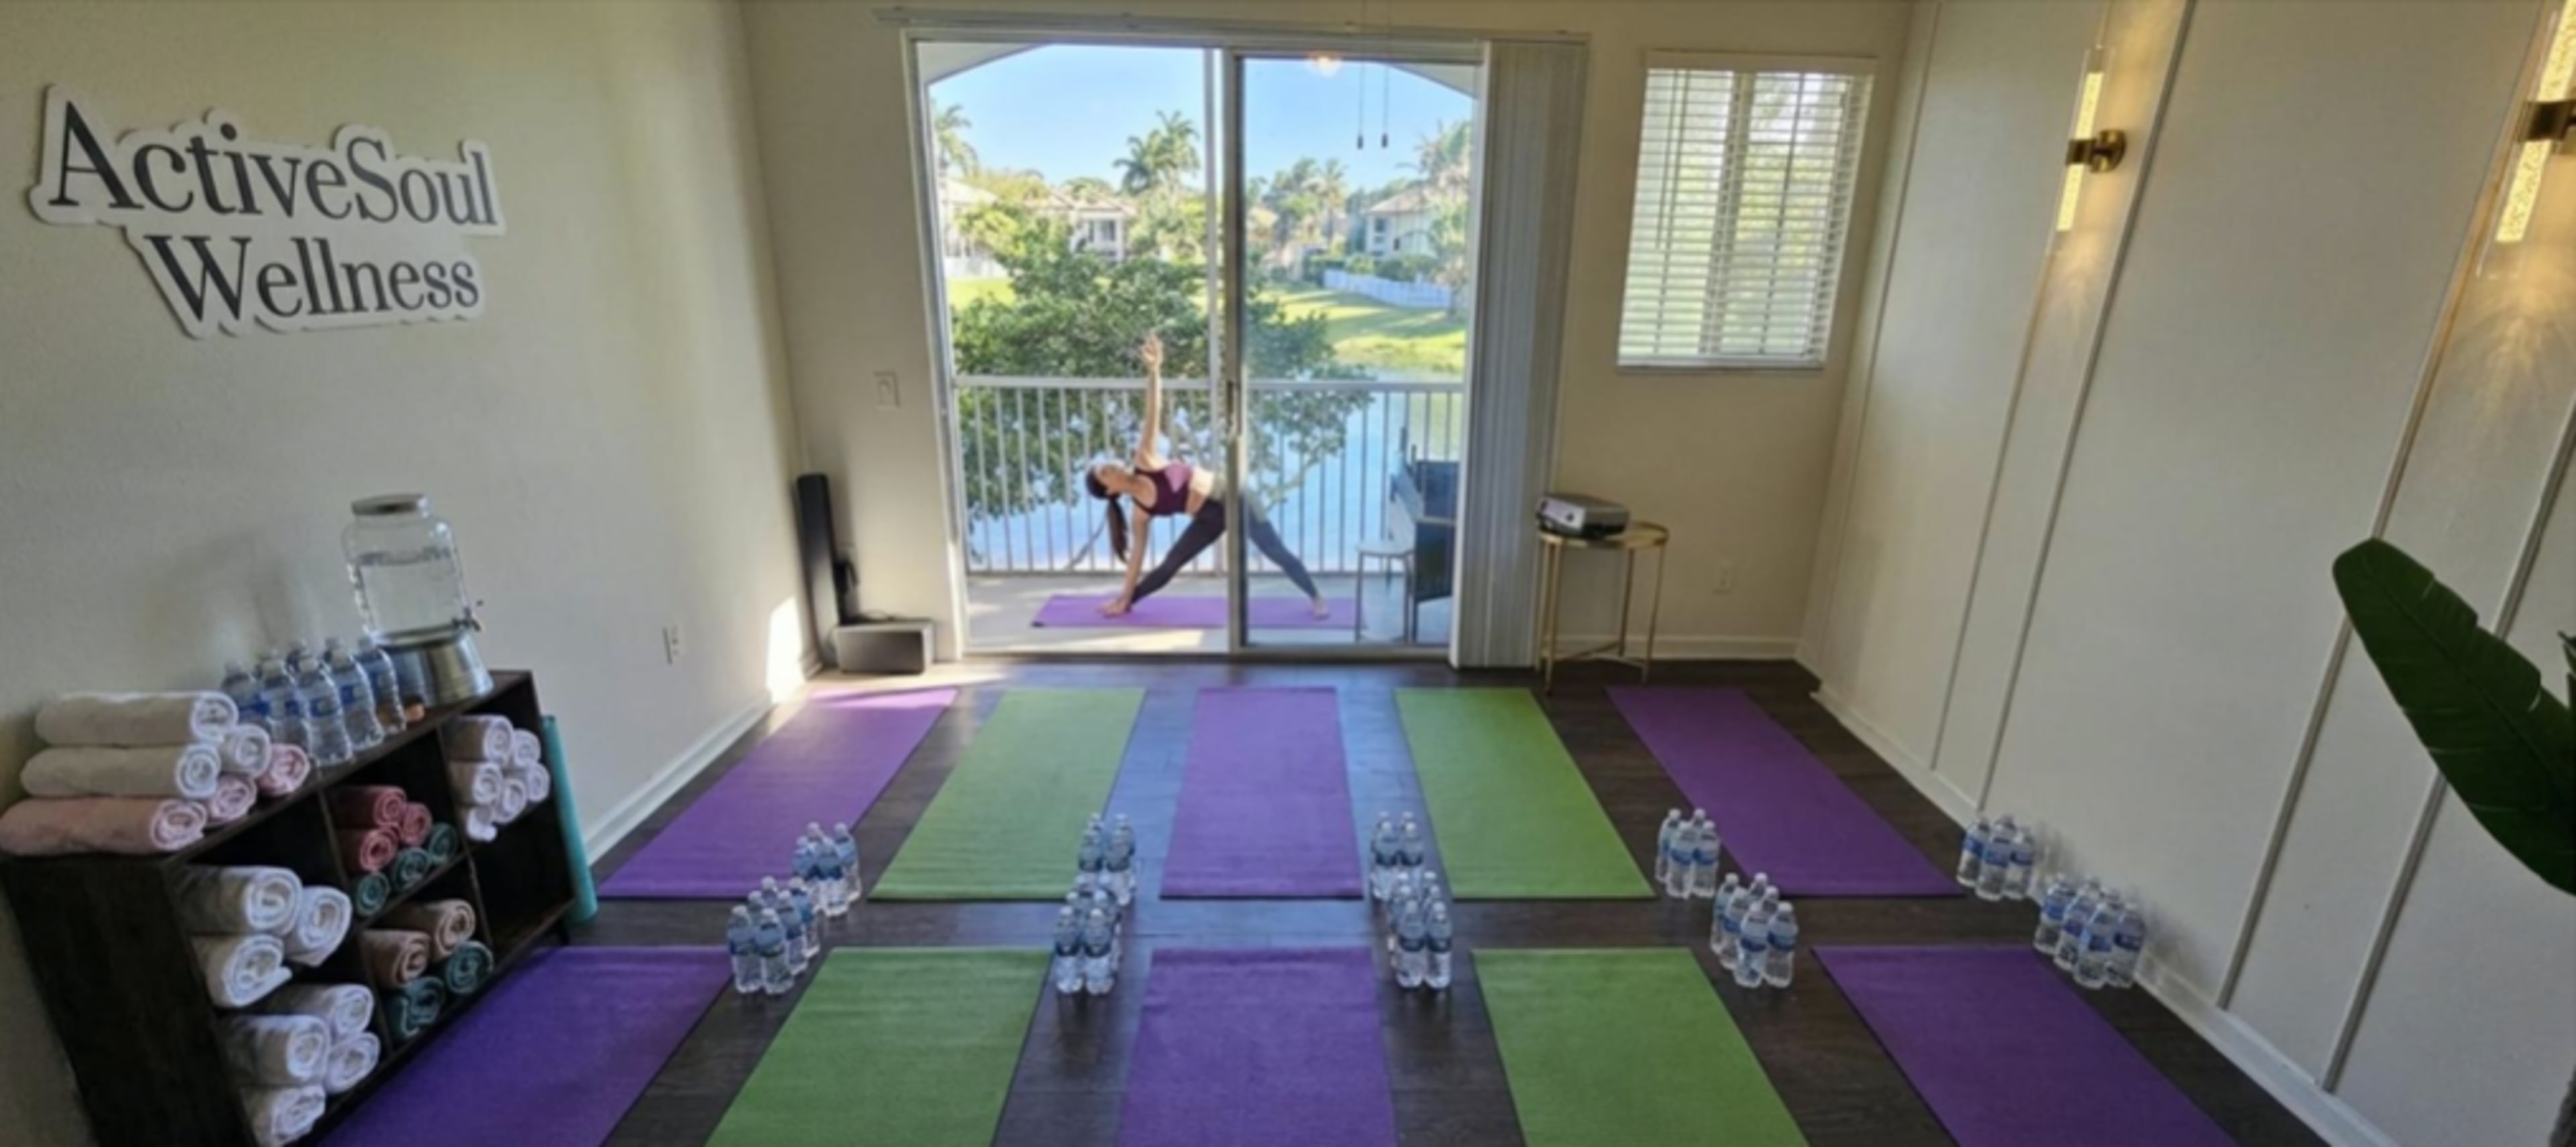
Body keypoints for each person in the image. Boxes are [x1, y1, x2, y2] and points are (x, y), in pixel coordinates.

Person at [1083, 333, 1328, 618]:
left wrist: (1154, 371)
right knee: (1169, 565)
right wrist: (1125, 595)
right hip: (1209, 518)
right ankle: (1126, 604)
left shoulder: (1145, 460)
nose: (1112, 466)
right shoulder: (1141, 513)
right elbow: (1136, 559)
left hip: (1233, 498)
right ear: (1110, 491)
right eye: (1105, 473)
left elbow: (1154, 412)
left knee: (1275, 551)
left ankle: (1316, 596)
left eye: (1107, 465)